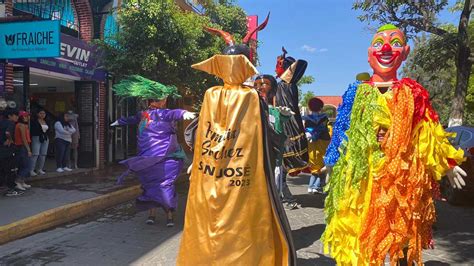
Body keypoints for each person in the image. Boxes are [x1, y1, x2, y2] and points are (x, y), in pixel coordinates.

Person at [322, 24, 467, 265]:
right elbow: (341, 130)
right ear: (370, 52)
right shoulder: (355, 92)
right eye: (379, 43)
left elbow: (429, 132)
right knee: (361, 234)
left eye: (395, 43)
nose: (387, 48)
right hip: (363, 177)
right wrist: (331, 161)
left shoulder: (413, 93)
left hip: (401, 180)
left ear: (406, 51)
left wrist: (447, 163)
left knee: (399, 236)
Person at [178, 14, 296, 266]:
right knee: (239, 222)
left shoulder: (213, 94)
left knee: (211, 219)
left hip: (214, 171)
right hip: (241, 174)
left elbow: (200, 130)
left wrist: (199, 156)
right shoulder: (250, 96)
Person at [111, 75, 195, 227]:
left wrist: (183, 113)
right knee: (160, 186)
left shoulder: (151, 114)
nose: (165, 101)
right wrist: (120, 121)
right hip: (153, 157)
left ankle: (163, 216)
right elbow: (133, 118)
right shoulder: (149, 114)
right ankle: (164, 216)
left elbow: (174, 113)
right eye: (163, 99)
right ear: (160, 100)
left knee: (159, 186)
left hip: (162, 157)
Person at [274, 47, 309, 209]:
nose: (277, 67)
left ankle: (286, 198)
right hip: (285, 129)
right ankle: (283, 197)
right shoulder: (285, 85)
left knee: (279, 169)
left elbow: (301, 64)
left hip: (286, 131)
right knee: (279, 170)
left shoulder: (285, 86)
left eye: (280, 64)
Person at [254, 74, 293, 200]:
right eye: (256, 84)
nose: (259, 87)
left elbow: (279, 126)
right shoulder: (251, 109)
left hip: (274, 157)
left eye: (263, 84)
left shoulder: (275, 111)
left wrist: (285, 116)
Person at [303, 97, 330, 194]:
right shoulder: (324, 117)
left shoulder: (307, 119)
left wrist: (311, 135)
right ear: (321, 107)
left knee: (315, 165)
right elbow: (323, 128)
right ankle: (316, 186)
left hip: (312, 143)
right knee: (323, 166)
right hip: (323, 142)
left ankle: (311, 187)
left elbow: (307, 129)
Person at [0, 109, 23, 196]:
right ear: (9, 116)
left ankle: (2, 186)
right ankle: (10, 189)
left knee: (2, 169)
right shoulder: (11, 123)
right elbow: (7, 132)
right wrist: (10, 140)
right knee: (11, 170)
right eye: (15, 115)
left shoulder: (1, 122)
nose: (17, 117)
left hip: (1, 149)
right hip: (8, 150)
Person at [15, 111, 32, 190]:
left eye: (27, 116)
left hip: (22, 146)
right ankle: (18, 181)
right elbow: (24, 138)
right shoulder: (21, 125)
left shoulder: (22, 125)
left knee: (23, 165)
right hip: (22, 146)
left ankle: (21, 181)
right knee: (27, 165)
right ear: (22, 117)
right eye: (25, 116)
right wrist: (28, 149)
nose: (27, 117)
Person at [30, 109, 50, 176]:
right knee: (35, 154)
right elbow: (33, 130)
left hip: (45, 137)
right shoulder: (34, 121)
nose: (42, 115)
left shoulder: (46, 121)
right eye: (41, 113)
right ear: (37, 114)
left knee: (43, 154)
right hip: (36, 137)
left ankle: (40, 169)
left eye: (44, 113)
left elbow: (49, 130)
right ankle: (31, 170)